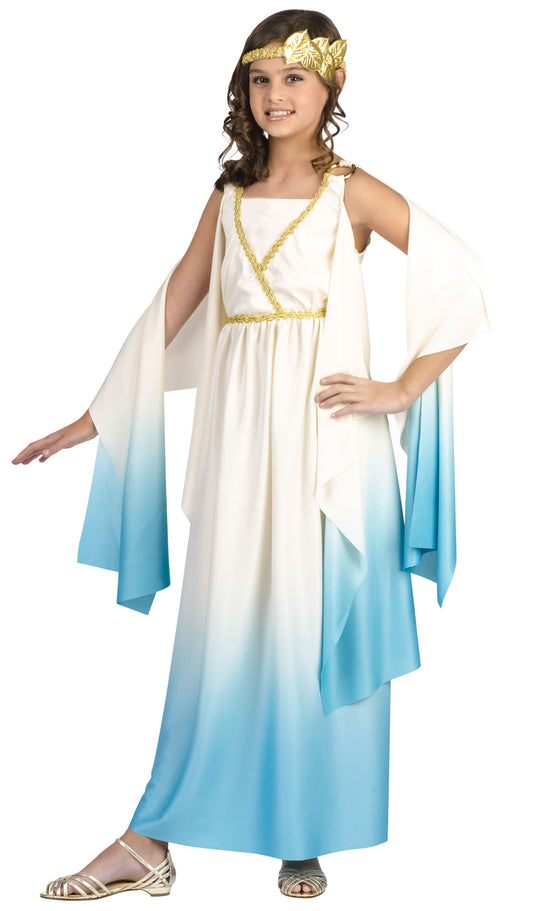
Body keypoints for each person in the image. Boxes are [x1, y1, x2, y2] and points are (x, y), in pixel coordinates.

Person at [12, 8, 491, 902]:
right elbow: (174, 304)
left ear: (332, 84)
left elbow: (463, 279)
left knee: (311, 627)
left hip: (331, 444)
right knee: (222, 630)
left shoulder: (352, 191)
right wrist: (95, 416)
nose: (275, 96)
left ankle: (301, 829)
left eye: (293, 79)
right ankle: (150, 840)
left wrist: (399, 387)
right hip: (238, 441)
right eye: (260, 80)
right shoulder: (229, 195)